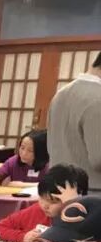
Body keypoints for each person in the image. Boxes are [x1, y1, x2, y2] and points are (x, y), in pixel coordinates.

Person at [0, 164, 89, 242]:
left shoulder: (86, 219)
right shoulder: (37, 210)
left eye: (53, 201)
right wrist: (23, 237)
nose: (45, 205)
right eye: (42, 198)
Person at [47, 50, 101, 193]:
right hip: (93, 193)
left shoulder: (60, 94)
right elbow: (98, 159)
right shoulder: (98, 98)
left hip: (59, 188)